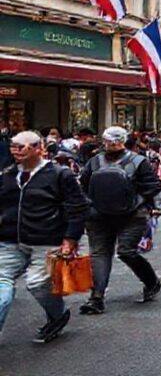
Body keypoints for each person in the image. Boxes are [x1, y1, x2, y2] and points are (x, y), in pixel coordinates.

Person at [0, 131, 89, 343]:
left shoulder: (60, 174)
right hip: (9, 241)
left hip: (46, 240)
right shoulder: (8, 175)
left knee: (37, 284)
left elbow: (78, 208)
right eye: (13, 145)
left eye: (21, 147)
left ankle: (58, 316)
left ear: (38, 148)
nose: (15, 150)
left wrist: (70, 239)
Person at [79, 127, 161, 315]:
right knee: (99, 254)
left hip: (131, 216)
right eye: (108, 141)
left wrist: (136, 201)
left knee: (126, 252)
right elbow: (83, 186)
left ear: (123, 141)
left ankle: (151, 281)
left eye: (115, 141)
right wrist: (89, 206)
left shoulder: (138, 161)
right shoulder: (95, 162)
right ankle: (96, 298)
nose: (111, 145)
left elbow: (153, 184)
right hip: (99, 216)